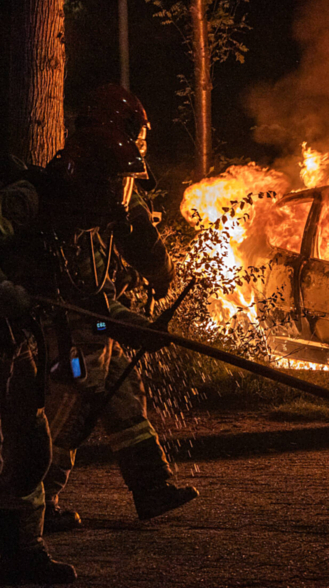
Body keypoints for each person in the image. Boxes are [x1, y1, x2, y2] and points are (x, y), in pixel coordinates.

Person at [37, 85, 198, 532]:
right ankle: (38, 505)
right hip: (70, 331)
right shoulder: (69, 202)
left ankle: (151, 486)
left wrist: (130, 321)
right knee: (69, 410)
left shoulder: (104, 180)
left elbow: (102, 286)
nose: (118, 195)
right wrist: (132, 319)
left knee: (123, 395)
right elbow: (85, 298)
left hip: (92, 325)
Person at [0, 171, 77, 584]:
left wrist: (130, 324)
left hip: (13, 338)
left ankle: (23, 550)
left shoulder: (72, 220)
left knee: (32, 448)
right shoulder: (23, 201)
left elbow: (78, 295)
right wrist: (6, 292)